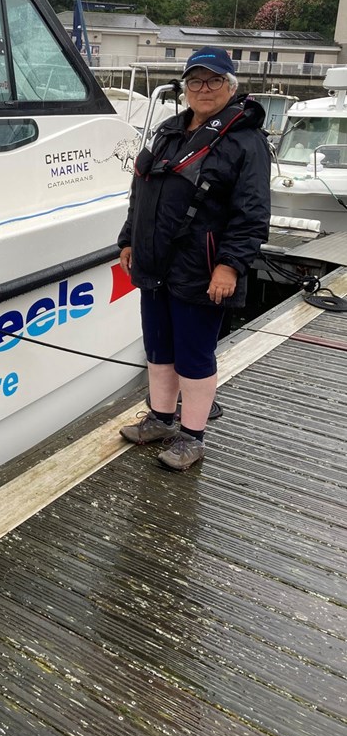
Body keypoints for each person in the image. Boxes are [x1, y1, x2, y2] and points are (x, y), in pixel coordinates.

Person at [118, 46, 271, 470]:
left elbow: (253, 212)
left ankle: (193, 436)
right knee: (159, 350)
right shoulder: (170, 130)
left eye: (214, 80)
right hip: (155, 266)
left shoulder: (246, 142)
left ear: (231, 86)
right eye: (196, 81)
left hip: (202, 270)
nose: (204, 89)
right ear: (185, 87)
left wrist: (229, 264)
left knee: (195, 357)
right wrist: (128, 239)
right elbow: (142, 193)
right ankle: (162, 419)